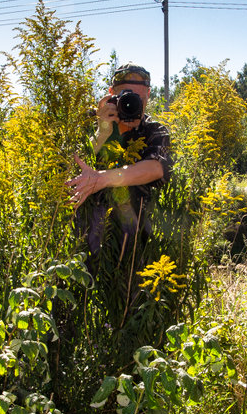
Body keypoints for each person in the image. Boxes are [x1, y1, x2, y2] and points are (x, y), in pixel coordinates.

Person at [67, 62, 172, 268]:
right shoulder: (91, 123)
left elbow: (155, 168)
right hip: (83, 238)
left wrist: (102, 179)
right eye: (126, 96)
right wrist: (101, 134)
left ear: (149, 95)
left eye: (139, 99)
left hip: (133, 243)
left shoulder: (154, 131)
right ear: (111, 94)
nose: (132, 104)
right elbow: (68, 168)